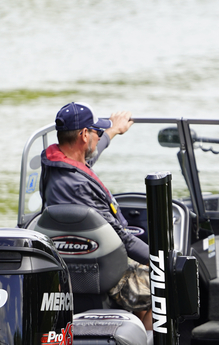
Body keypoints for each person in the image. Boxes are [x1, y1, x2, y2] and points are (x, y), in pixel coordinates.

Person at [40, 102, 153, 329]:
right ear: (83, 134)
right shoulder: (80, 187)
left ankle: (135, 326)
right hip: (99, 271)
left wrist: (113, 131)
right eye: (96, 132)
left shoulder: (58, 169)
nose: (99, 136)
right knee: (168, 286)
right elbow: (123, 238)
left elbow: (88, 158)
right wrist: (164, 260)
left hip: (73, 263)